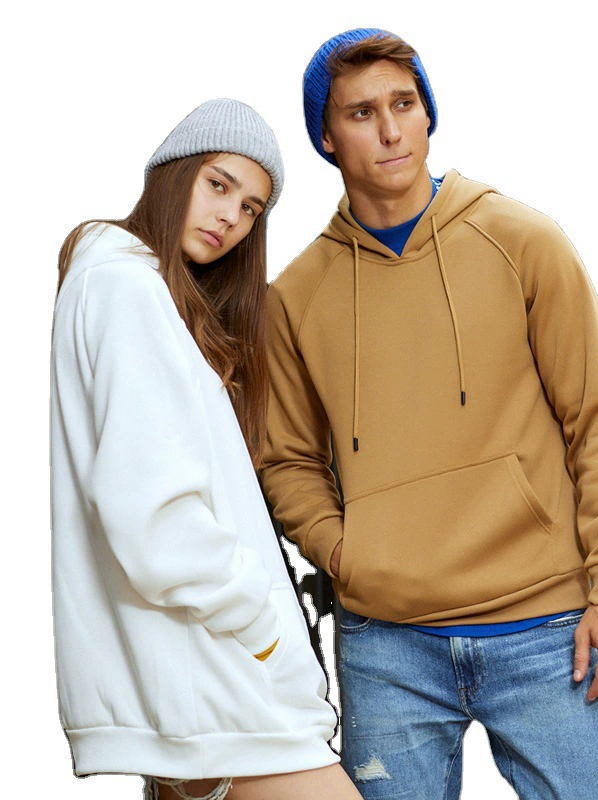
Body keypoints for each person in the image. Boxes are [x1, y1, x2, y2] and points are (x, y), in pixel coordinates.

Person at [261, 29, 598, 799]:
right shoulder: (296, 297)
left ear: (428, 113)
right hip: (388, 645)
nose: (390, 129)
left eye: (404, 104)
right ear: (326, 137)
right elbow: (287, 460)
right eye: (362, 112)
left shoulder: (521, 241)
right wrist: (347, 554)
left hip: (543, 624)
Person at [51, 98, 363, 800]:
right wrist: (266, 632)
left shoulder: (120, 285)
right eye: (218, 184)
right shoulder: (126, 287)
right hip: (221, 686)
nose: (230, 217)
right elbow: (153, 518)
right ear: (174, 173)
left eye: (251, 208)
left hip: (189, 687)